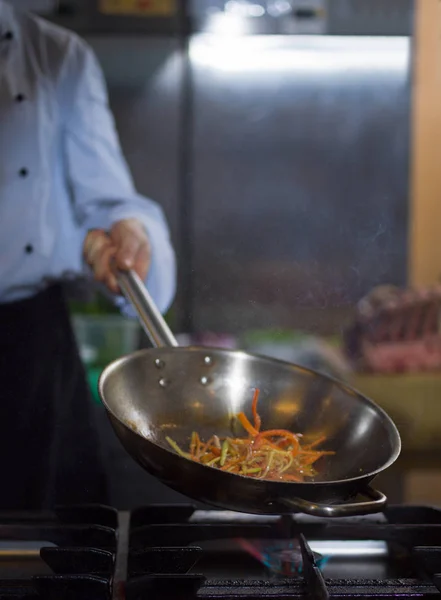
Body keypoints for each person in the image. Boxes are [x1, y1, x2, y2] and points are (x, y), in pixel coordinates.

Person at [0, 1, 176, 508]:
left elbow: (107, 199)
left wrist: (130, 231)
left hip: (29, 348)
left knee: (50, 554)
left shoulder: (58, 55)